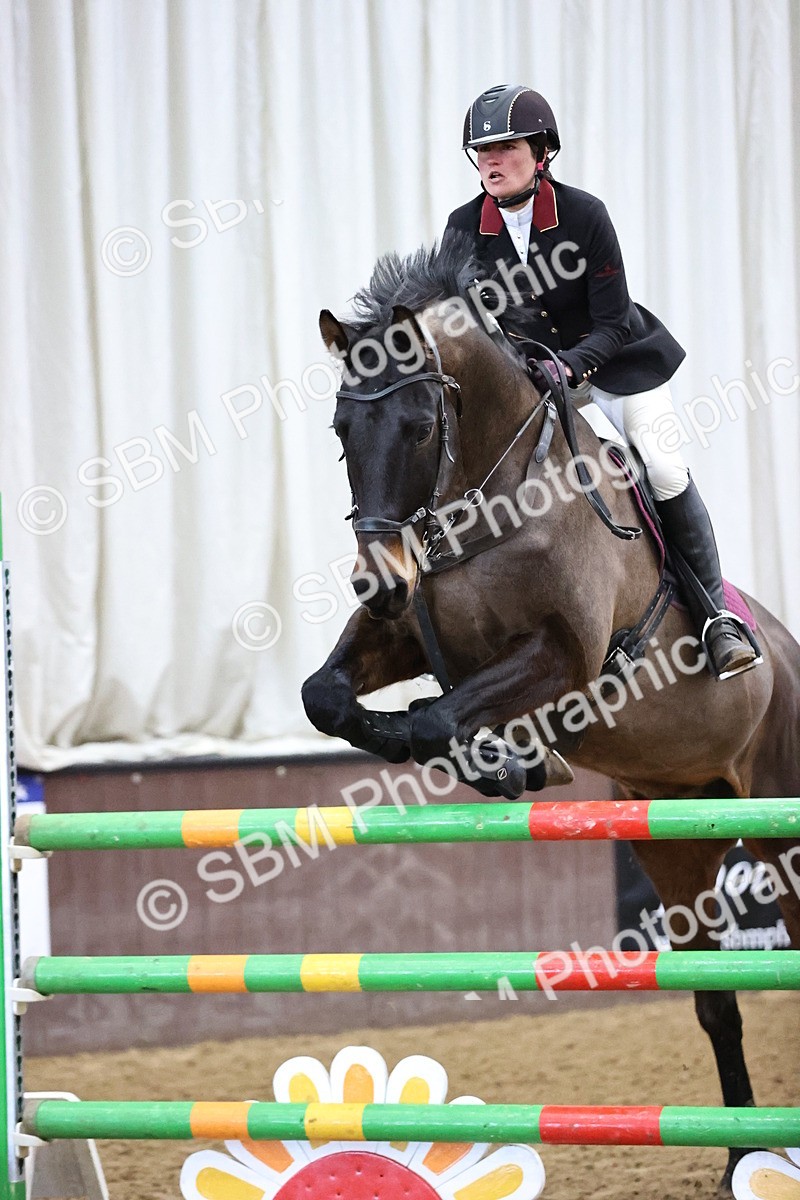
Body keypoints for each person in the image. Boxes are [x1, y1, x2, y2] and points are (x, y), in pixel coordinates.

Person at [444, 83, 759, 680]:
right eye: (482, 150)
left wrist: (570, 367)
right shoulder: (463, 229)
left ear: (541, 154)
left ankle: (717, 618)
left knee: (661, 467)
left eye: (506, 147)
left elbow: (613, 322)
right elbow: (467, 326)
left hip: (614, 364)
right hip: (534, 377)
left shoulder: (585, 214)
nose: (490, 160)